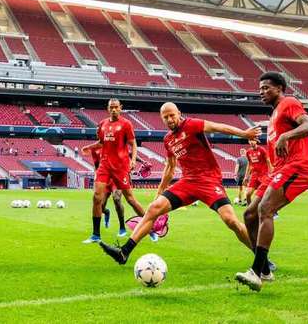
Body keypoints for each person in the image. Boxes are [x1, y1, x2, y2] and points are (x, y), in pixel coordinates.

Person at [99, 102, 261, 265]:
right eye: (166, 117)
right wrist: (159, 193)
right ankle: (124, 252)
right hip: (188, 183)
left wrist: (244, 134)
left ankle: (261, 258)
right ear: (162, 119)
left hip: (209, 182)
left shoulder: (192, 124)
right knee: (153, 209)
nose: (169, 119)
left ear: (179, 113)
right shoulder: (168, 139)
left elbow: (217, 127)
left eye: (172, 115)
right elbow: (170, 167)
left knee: (231, 221)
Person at [236, 72, 308, 291]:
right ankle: (265, 270)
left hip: (297, 167)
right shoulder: (273, 116)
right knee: (249, 214)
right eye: (260, 88)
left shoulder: (289, 103)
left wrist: (285, 136)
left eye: (266, 88)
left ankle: (256, 271)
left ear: (280, 88)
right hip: (280, 170)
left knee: (265, 209)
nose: (261, 92)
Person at [80, 99, 146, 244]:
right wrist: (89, 147)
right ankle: (96, 235)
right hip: (104, 166)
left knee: (130, 199)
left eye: (116, 107)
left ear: (120, 108)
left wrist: (133, 160)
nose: (114, 110)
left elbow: (133, 144)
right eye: (111, 107)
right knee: (97, 197)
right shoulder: (102, 124)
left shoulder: (126, 124)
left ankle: (151, 227)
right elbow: (101, 143)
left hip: (120, 167)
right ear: (108, 108)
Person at [82, 142, 128, 237]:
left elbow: (128, 153)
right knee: (100, 206)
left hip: (116, 177)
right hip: (104, 180)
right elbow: (97, 165)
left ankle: (122, 227)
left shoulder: (114, 143)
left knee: (117, 199)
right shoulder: (95, 149)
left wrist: (140, 161)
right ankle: (106, 212)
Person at [245, 139, 273, 205]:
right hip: (254, 175)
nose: (251, 142)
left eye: (253, 140)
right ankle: (250, 210)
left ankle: (273, 211)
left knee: (265, 194)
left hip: (263, 174)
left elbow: (268, 161)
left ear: (256, 141)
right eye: (250, 140)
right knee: (248, 194)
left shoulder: (262, 150)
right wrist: (246, 176)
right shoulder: (248, 152)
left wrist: (271, 174)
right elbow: (249, 164)